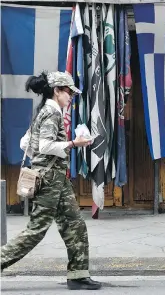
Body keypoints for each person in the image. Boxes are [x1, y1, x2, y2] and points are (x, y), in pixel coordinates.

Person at [1, 71, 102, 291]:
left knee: (75, 224)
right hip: (49, 180)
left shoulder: (43, 112)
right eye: (68, 92)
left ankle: (78, 275)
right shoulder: (52, 114)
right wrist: (73, 144)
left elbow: (24, 143)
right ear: (56, 91)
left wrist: (50, 149)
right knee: (36, 230)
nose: (71, 97)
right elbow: (45, 146)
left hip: (56, 179)